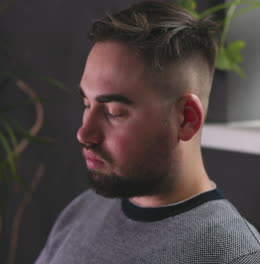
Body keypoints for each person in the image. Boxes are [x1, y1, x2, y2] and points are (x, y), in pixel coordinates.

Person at [35, 1, 260, 263]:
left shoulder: (235, 255)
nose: (84, 134)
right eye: (87, 104)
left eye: (114, 112)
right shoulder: (83, 210)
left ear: (186, 118)